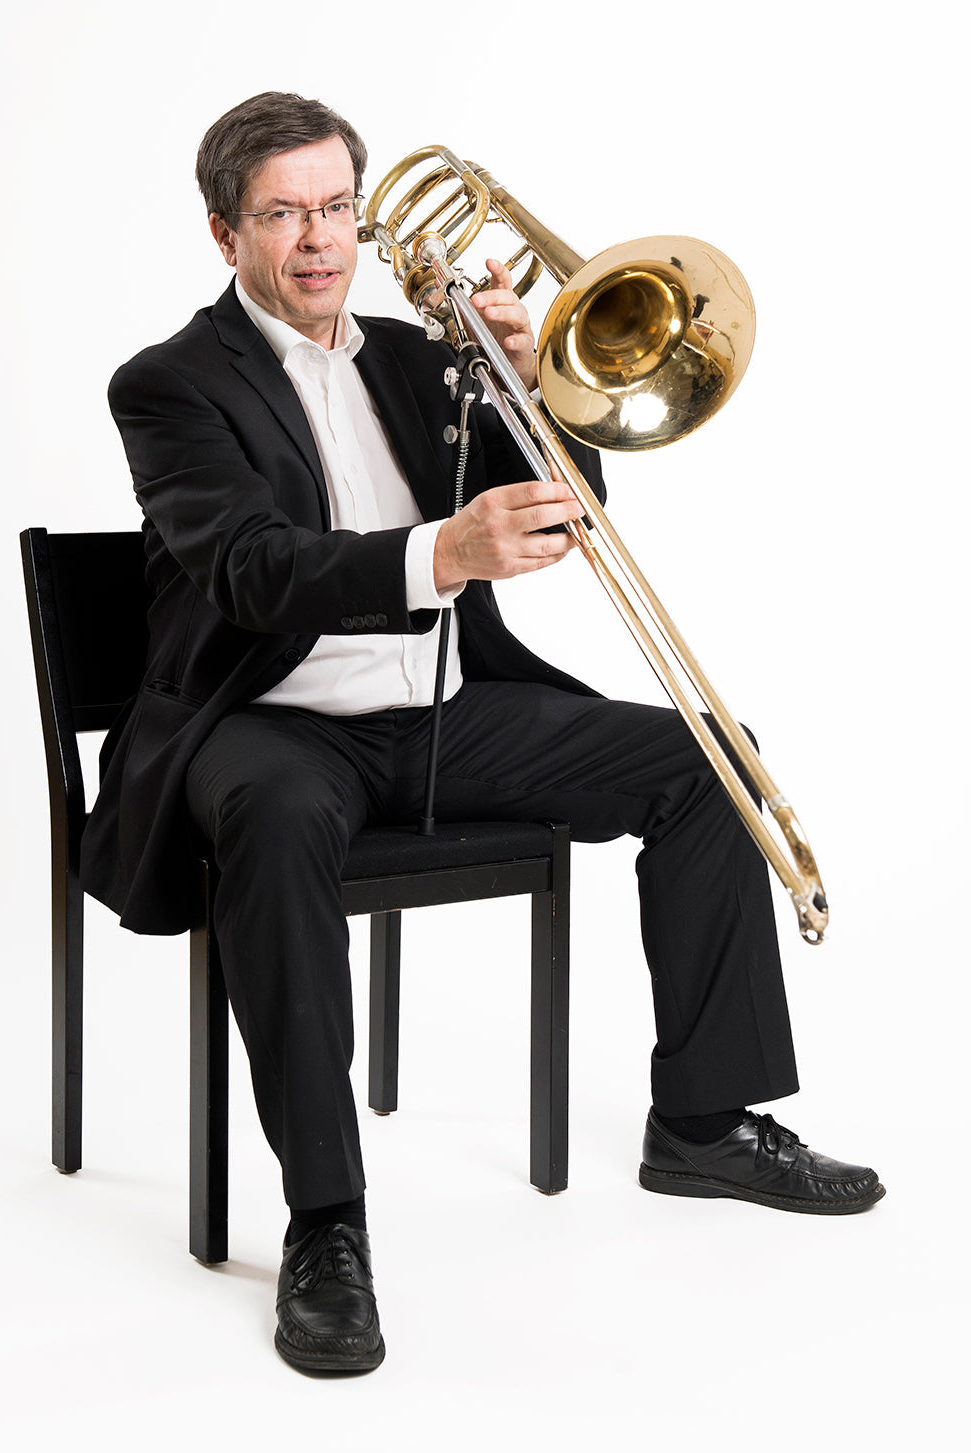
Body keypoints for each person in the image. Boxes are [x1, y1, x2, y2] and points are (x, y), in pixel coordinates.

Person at [82, 91, 885, 1377]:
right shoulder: (170, 384)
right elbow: (250, 568)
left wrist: (528, 387)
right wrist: (436, 551)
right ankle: (325, 1223)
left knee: (707, 756)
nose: (318, 240)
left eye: (337, 207)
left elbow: (574, 505)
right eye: (281, 213)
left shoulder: (415, 355)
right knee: (278, 821)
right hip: (267, 721)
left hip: (444, 714)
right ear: (224, 230)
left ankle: (701, 1121)